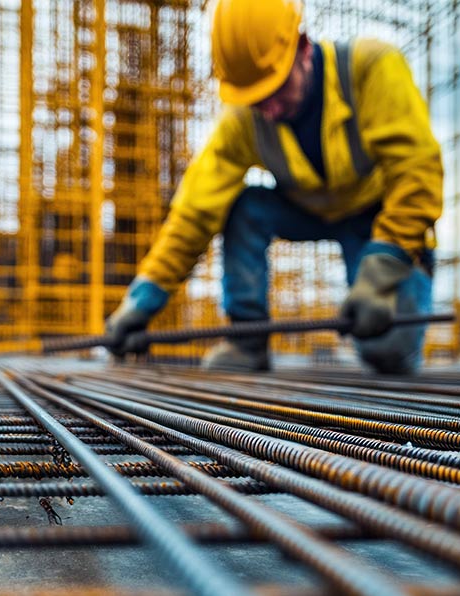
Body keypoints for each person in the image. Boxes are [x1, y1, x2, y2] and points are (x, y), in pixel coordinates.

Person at [104, 0, 442, 374]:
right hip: (307, 211)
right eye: (256, 99)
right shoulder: (245, 118)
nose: (270, 109)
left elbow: (417, 173)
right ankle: (247, 341)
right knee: (242, 205)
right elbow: (194, 213)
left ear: (304, 49)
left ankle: (386, 315)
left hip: (375, 220)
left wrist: (381, 271)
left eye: (277, 89)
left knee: (387, 350)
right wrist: (144, 298)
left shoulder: (371, 67)